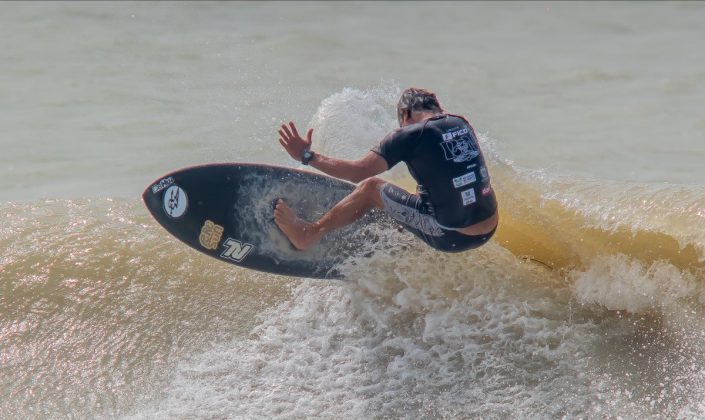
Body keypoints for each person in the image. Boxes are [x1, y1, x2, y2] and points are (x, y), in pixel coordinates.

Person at [274, 87, 499, 253]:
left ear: (406, 115)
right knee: (428, 184)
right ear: (438, 107)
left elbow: (358, 172)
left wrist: (306, 156)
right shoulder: (461, 123)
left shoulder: (410, 135)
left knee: (371, 188)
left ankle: (308, 234)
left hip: (452, 235)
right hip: (490, 227)